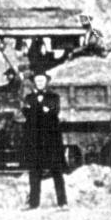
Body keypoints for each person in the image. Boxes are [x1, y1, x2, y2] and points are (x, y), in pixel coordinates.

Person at [21, 73, 67, 209]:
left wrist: (37, 110)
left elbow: (54, 111)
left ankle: (62, 202)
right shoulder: (29, 98)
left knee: (56, 171)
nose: (40, 83)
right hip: (35, 139)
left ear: (46, 82)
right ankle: (33, 203)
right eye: (37, 80)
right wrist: (43, 110)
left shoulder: (54, 97)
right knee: (34, 171)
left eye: (42, 80)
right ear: (34, 83)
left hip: (51, 139)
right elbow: (26, 112)